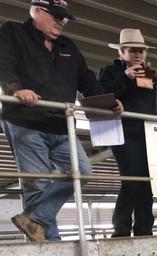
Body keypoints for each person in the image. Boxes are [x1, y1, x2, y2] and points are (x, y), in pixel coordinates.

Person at [0, 0, 123, 241]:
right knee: (38, 184)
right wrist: (16, 89)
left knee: (82, 171)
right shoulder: (13, 32)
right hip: (26, 121)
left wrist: (108, 103)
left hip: (62, 125)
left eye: (63, 18)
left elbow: (87, 81)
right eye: (55, 15)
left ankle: (33, 220)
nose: (60, 22)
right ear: (36, 11)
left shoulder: (69, 47)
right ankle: (50, 245)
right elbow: (3, 63)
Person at [98, 29, 157, 237]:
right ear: (122, 52)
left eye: (141, 51)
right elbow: (103, 97)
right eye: (133, 50)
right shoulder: (109, 72)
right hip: (123, 132)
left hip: (149, 134)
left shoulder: (151, 76)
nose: (138, 55)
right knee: (132, 179)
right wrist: (125, 77)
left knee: (147, 182)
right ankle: (121, 228)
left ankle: (144, 229)